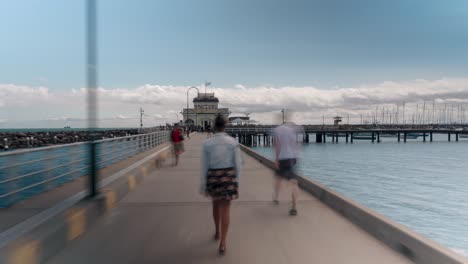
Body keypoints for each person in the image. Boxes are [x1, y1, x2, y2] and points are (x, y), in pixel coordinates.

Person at [200, 114, 241, 255]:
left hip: (213, 176)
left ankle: (217, 231)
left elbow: (204, 166)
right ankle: (223, 242)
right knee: (226, 208)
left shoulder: (207, 143)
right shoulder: (233, 142)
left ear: (214, 126)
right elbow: (238, 164)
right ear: (225, 125)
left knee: (215, 204)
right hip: (228, 176)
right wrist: (237, 181)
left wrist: (203, 184)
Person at [272, 122, 303, 216]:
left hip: (282, 158)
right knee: (294, 182)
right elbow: (297, 145)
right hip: (292, 158)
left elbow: (278, 145)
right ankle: (294, 207)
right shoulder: (293, 130)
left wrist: (276, 159)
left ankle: (276, 198)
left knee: (279, 178)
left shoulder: (278, 130)